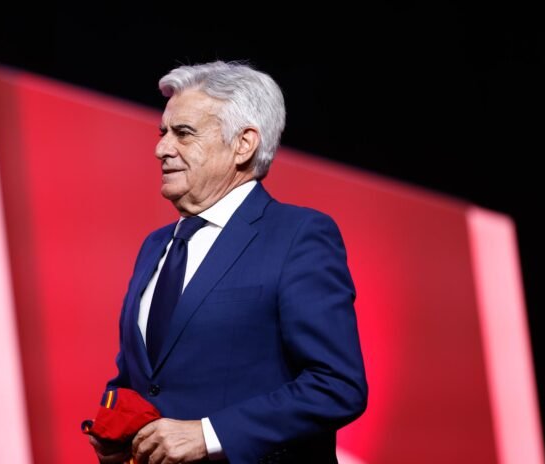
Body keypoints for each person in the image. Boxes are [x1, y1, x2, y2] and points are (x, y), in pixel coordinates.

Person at [88, 61, 367, 464]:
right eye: (163, 133)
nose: (161, 148)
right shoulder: (154, 246)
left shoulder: (298, 235)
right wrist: (117, 433)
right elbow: (142, 380)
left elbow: (337, 385)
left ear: (244, 144)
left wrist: (209, 435)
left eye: (184, 133)